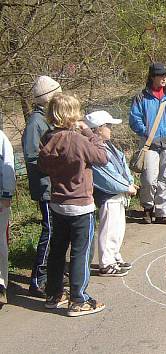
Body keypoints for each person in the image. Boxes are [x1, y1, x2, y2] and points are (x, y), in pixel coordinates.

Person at [38, 93, 108, 317]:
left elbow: (41, 165)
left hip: (58, 202)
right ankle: (79, 299)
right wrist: (89, 132)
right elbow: (101, 157)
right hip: (80, 205)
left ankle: (54, 295)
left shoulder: (48, 138)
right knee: (81, 252)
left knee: (57, 251)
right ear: (73, 115)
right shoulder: (76, 139)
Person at [129, 62, 166, 225]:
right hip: (149, 143)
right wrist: (146, 132)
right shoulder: (141, 97)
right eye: (161, 75)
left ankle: (163, 212)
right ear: (152, 77)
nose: (164, 78)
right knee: (148, 178)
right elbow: (135, 118)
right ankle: (148, 208)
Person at [21, 75, 62, 297]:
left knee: (58, 231)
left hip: (56, 185)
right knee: (50, 230)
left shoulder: (47, 119)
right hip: (46, 186)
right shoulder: (35, 123)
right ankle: (38, 278)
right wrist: (54, 166)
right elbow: (31, 156)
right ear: (48, 98)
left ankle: (53, 273)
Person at [86, 111, 136, 277]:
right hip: (108, 195)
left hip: (119, 194)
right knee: (109, 230)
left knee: (118, 228)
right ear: (99, 129)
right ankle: (106, 263)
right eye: (108, 126)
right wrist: (125, 187)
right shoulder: (94, 149)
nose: (111, 129)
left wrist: (129, 182)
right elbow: (105, 176)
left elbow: (122, 164)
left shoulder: (109, 146)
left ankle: (114, 256)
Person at [0, 129, 15, 308]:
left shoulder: (1, 138)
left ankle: (1, 284)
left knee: (0, 243)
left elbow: (8, 164)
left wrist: (6, 194)